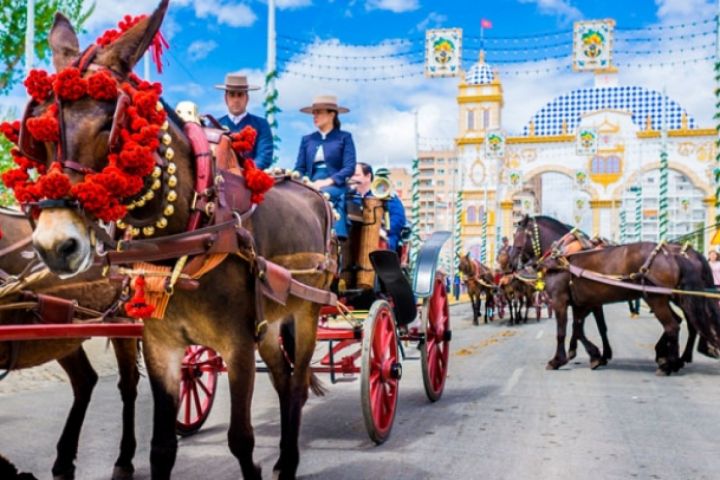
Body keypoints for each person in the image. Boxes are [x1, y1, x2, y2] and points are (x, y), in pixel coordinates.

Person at [294, 95, 356, 239]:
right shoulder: (307, 139)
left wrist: (327, 182)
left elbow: (349, 167)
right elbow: (299, 168)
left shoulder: (345, 137)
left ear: (332, 114)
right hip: (309, 183)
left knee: (319, 196)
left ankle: (336, 238)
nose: (314, 116)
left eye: (319, 112)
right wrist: (300, 180)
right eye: (314, 113)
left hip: (335, 185)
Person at [216, 73, 273, 169]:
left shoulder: (262, 125)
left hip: (250, 180)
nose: (236, 100)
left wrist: (246, 172)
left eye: (240, 95)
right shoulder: (215, 125)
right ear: (226, 98)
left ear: (247, 98)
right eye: (232, 95)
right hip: (220, 179)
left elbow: (265, 156)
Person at [347, 162, 407, 251]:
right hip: (354, 237)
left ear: (368, 176)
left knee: (381, 245)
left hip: (382, 236)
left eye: (356, 175)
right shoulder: (348, 196)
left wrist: (383, 231)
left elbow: (398, 217)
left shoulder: (384, 194)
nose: (352, 178)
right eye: (351, 175)